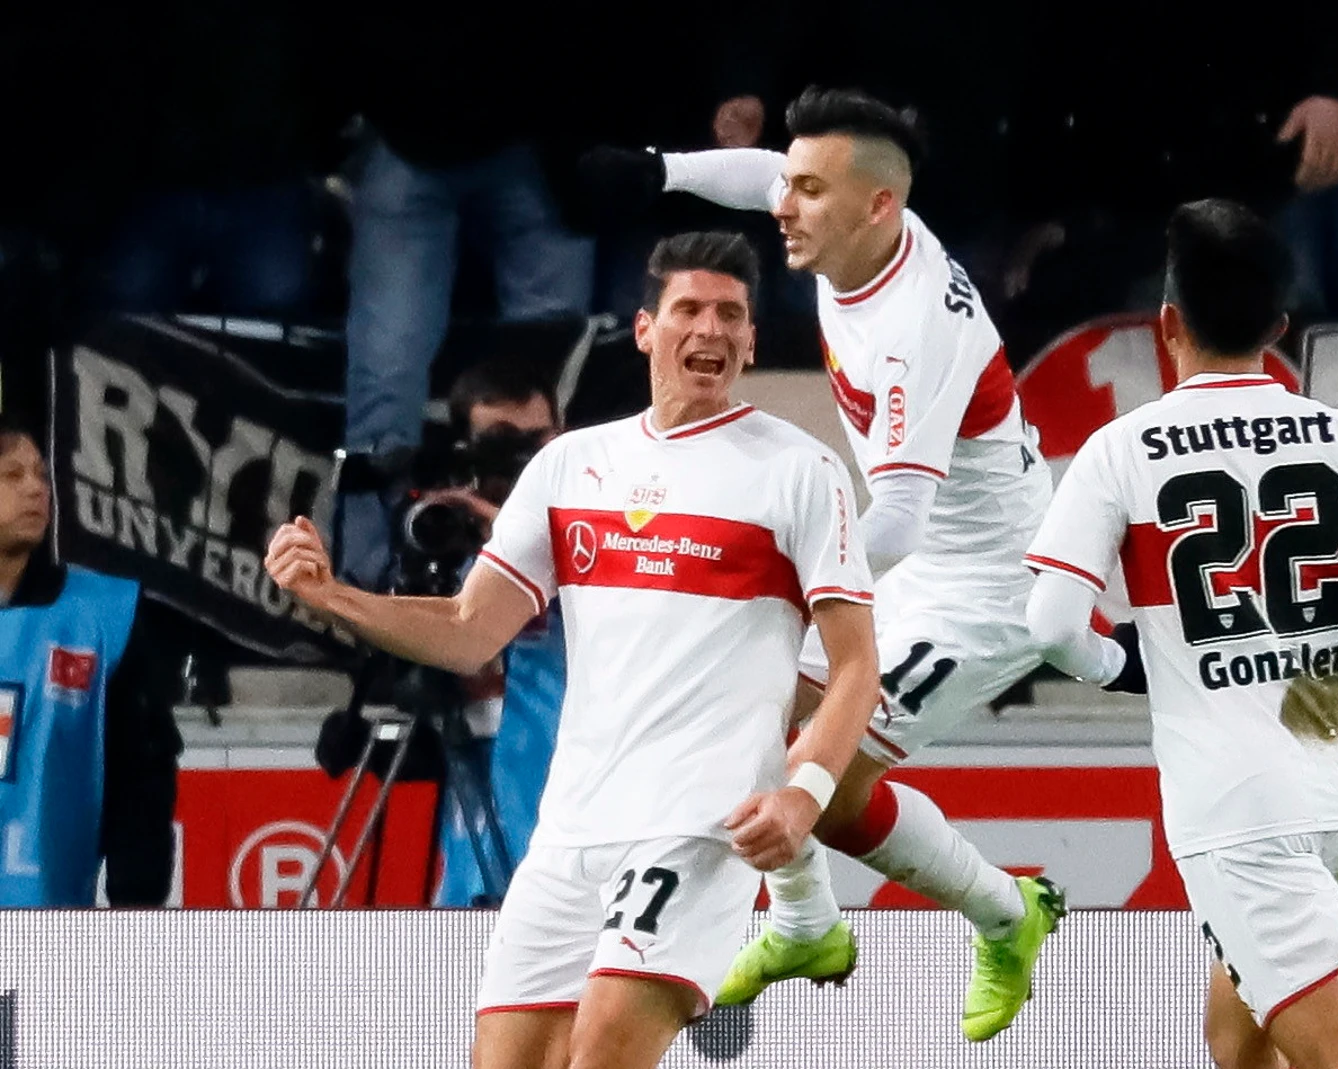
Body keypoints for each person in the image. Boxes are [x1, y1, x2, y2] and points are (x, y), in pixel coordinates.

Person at [266, 231, 881, 1069]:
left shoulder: (801, 470)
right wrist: (332, 595)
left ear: (750, 340)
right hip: (570, 833)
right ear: (644, 330)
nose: (710, 329)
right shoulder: (571, 465)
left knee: (602, 1050)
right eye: (689, 309)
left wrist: (803, 796)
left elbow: (855, 665)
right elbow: (469, 626)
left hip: (698, 824)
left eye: (731, 314)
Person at [1021, 200, 1338, 1069]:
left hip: (1235, 803)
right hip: (1335, 776)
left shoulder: (1123, 450)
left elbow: (1051, 624)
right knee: (1235, 1039)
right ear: (1279, 327)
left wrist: (1122, 666)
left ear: (1167, 324)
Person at [643, 88, 1065, 1041]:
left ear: (879, 205)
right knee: (754, 716)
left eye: (809, 192)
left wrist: (778, 581)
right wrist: (657, 172)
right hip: (917, 563)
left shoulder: (915, 327)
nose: (783, 206)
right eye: (791, 187)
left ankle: (1011, 913)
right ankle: (807, 925)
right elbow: (768, 175)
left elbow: (902, 521)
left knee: (819, 784)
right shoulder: (856, 231)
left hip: (986, 587)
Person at [0, 412, 180, 907]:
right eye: (12, 475)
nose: (36, 489)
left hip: (48, 923)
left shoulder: (102, 617)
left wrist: (134, 906)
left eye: (41, 475)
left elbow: (141, 779)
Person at [427, 359, 566, 908]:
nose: (522, 461)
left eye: (536, 442)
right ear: (466, 450)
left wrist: (519, 539)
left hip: (571, 819)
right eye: (501, 444)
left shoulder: (596, 530)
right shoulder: (444, 537)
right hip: (480, 814)